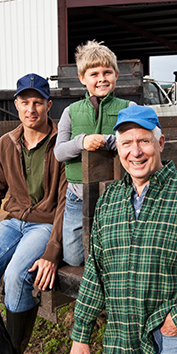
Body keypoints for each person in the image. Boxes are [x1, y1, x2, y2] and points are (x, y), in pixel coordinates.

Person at [69, 105, 177, 354]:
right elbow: (96, 273)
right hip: (120, 343)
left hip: (173, 344)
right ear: (119, 149)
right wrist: (81, 335)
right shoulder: (109, 201)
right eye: (126, 143)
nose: (135, 152)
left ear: (160, 143)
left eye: (144, 140)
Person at [0, 73, 67, 354]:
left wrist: (53, 249)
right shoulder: (6, 143)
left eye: (37, 102)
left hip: (44, 225)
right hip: (12, 223)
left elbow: (64, 202)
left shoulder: (62, 144)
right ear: (16, 105)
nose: (31, 109)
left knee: (15, 278)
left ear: (49, 105)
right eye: (25, 102)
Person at [54, 40, 135, 267]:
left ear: (116, 74)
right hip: (77, 195)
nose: (101, 78)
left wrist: (108, 141)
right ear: (82, 78)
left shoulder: (128, 107)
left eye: (107, 72)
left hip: (117, 193)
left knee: (115, 252)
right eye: (94, 73)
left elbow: (136, 143)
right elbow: (59, 153)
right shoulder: (70, 112)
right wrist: (82, 141)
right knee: (73, 257)